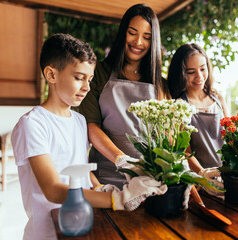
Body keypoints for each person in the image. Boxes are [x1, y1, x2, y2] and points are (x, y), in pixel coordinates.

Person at [11, 33, 167, 240]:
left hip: (83, 227)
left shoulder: (78, 121)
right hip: (48, 233)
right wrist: (117, 199)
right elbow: (53, 190)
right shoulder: (33, 124)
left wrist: (100, 187)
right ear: (51, 75)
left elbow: (80, 168)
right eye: (78, 78)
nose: (86, 87)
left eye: (90, 79)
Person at [79, 3, 169, 189]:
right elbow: (91, 126)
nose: (138, 42)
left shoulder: (160, 84)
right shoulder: (99, 73)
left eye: (147, 37)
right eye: (132, 32)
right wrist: (123, 161)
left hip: (148, 181)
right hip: (105, 178)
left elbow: (165, 136)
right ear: (123, 33)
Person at [167, 43, 229, 192]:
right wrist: (203, 177)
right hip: (198, 184)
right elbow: (185, 152)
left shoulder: (218, 99)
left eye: (202, 69)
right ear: (180, 73)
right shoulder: (179, 106)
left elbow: (231, 136)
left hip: (226, 177)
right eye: (191, 72)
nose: (199, 77)